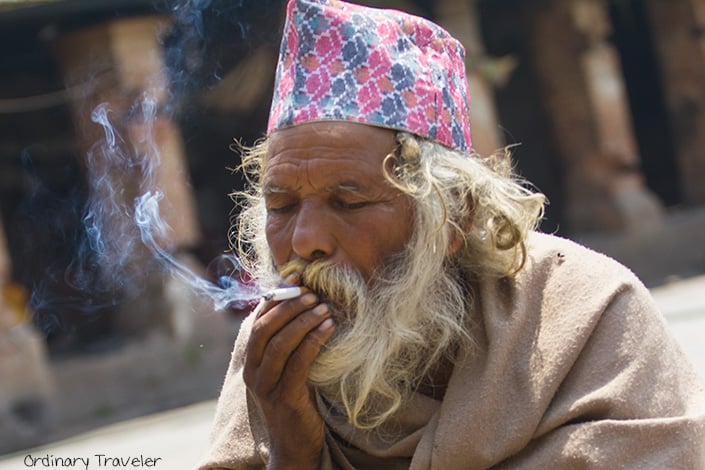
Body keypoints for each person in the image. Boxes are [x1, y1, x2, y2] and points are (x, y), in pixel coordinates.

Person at [198, 0, 705, 468]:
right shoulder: (275, 358)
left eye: (348, 202)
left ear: (451, 218)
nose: (305, 239)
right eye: (282, 205)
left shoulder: (587, 315)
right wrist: (290, 446)